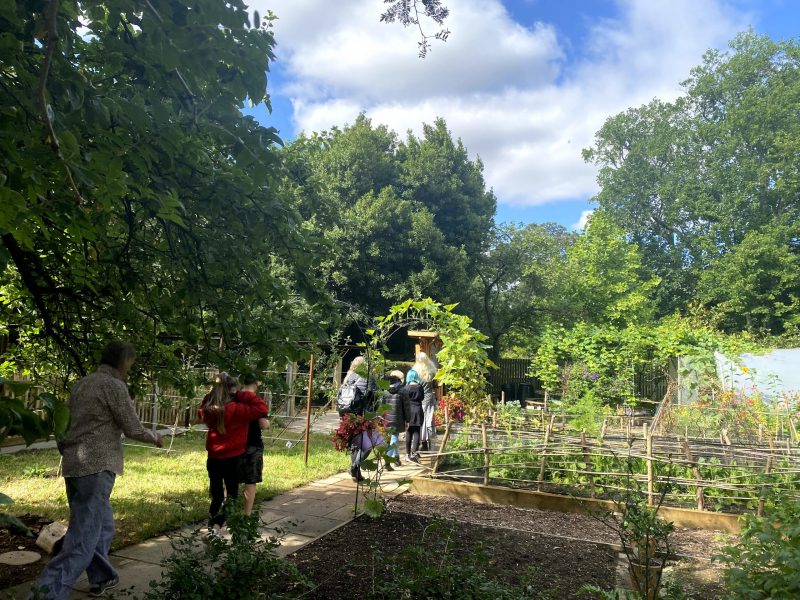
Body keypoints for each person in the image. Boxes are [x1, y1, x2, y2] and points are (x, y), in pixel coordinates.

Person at [34, 341, 163, 600]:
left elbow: (64, 424)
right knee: (81, 541)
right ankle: (45, 594)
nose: (129, 369)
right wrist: (154, 437)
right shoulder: (114, 386)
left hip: (75, 465)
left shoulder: (82, 384)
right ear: (124, 361)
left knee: (102, 526)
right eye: (130, 364)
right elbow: (132, 428)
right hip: (97, 468)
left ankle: (102, 577)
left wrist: (67, 450)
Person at [198, 372, 267, 538]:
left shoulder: (210, 409)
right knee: (232, 498)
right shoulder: (239, 410)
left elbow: (201, 409)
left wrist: (214, 393)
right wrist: (242, 394)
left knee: (216, 497)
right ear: (233, 390)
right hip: (233, 459)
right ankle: (215, 529)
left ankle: (211, 529)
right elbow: (262, 408)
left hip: (213, 459)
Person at [237, 372, 270, 516]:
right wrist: (268, 422)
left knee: (231, 478)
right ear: (256, 383)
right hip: (253, 444)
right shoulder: (256, 401)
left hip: (234, 443)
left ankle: (226, 510)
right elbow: (263, 424)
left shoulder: (234, 399)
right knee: (250, 481)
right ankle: (247, 513)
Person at [342, 356, 376, 481]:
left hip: (349, 415)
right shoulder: (368, 377)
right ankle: (355, 466)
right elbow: (374, 396)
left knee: (355, 444)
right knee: (369, 443)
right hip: (364, 414)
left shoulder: (349, 377)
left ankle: (356, 472)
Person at [407, 352, 438, 451]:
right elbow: (436, 386)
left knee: (419, 422)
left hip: (416, 400)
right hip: (428, 399)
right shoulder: (432, 371)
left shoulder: (414, 372)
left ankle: (421, 443)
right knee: (428, 421)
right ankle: (426, 442)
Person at [384, 370, 406, 467]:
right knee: (394, 438)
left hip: (387, 418)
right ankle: (387, 460)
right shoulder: (402, 390)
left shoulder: (385, 389)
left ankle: (396, 458)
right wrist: (408, 419)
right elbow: (406, 407)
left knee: (393, 438)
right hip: (398, 418)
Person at [404, 370, 425, 464]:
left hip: (409, 411)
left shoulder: (406, 387)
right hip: (418, 409)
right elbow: (422, 398)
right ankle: (415, 452)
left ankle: (407, 454)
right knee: (417, 432)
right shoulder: (420, 387)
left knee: (408, 432)